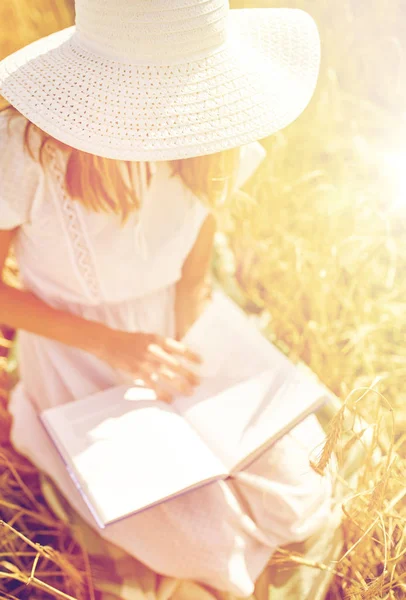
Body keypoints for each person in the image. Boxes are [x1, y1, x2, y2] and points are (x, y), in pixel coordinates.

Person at [0, 0, 333, 596]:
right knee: (209, 544)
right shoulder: (27, 150)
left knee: (296, 499)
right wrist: (111, 344)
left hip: (180, 336)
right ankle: (44, 435)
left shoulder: (210, 134)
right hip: (78, 352)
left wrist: (198, 387)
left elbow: (192, 270)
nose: (174, 113)